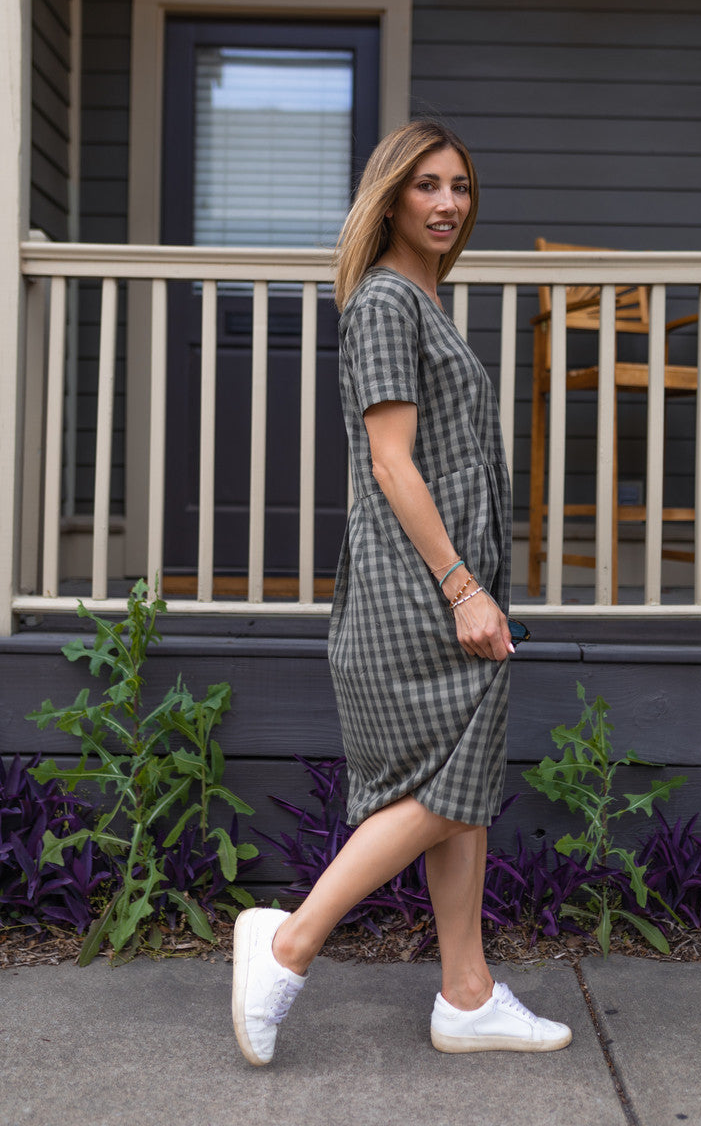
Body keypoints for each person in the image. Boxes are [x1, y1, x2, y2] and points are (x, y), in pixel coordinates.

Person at [231, 120, 572, 1065]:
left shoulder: (422, 300)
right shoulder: (385, 301)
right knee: (438, 786)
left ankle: (465, 996)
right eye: (426, 185)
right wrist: (463, 586)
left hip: (433, 582)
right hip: (413, 589)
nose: (447, 203)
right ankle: (288, 942)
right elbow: (391, 463)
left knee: (455, 789)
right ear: (390, 197)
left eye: (459, 186)